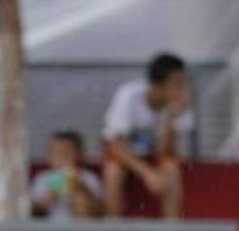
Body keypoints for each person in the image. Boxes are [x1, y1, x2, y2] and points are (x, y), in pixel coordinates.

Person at [102, 53, 192, 220]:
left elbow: (165, 152)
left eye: (184, 83)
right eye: (178, 84)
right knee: (113, 174)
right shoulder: (128, 96)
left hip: (153, 155)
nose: (183, 90)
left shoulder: (180, 107)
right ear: (158, 86)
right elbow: (115, 145)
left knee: (171, 171)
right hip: (123, 154)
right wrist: (147, 173)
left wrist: (170, 119)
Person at [30, 131, 104, 221]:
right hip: (51, 230)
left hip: (82, 230)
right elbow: (32, 210)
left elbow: (101, 212)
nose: (59, 157)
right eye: (53, 152)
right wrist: (48, 197)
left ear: (79, 155)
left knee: (79, 198)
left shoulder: (88, 177)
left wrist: (83, 188)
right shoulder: (43, 178)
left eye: (64, 152)